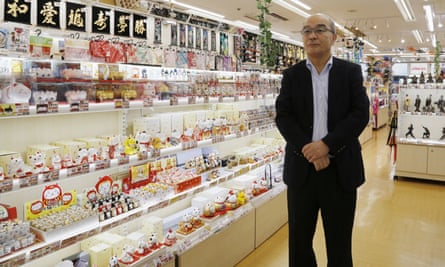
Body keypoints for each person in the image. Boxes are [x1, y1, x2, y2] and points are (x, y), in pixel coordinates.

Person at [275, 13, 370, 267]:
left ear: (334, 37)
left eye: (319, 30)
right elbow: (284, 116)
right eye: (306, 31)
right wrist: (310, 150)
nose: (312, 35)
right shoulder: (292, 75)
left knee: (339, 245)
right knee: (299, 244)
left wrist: (326, 145)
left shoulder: (350, 72)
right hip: (301, 172)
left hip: (340, 172)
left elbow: (360, 114)